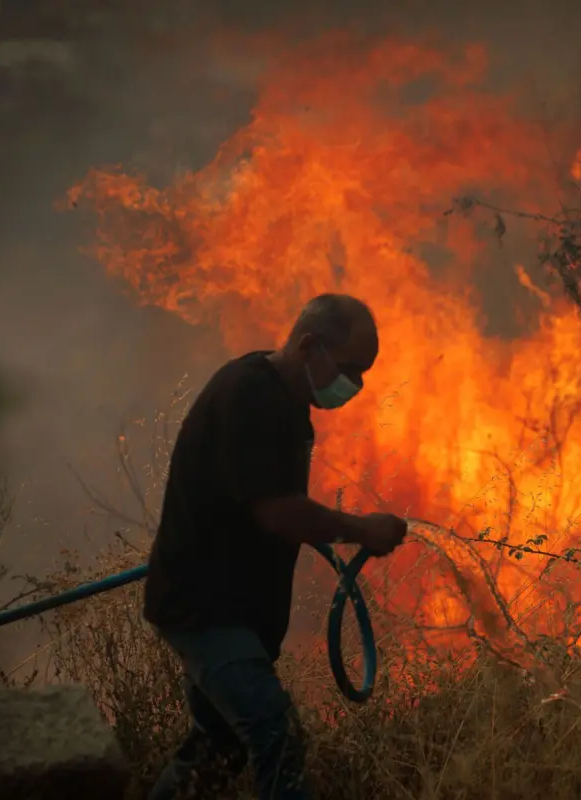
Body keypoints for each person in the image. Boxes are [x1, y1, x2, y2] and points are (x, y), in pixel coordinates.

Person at [143, 293, 409, 800]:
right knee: (276, 734)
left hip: (229, 613)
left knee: (217, 748)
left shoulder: (284, 405)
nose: (355, 385)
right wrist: (360, 529)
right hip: (205, 610)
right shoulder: (249, 396)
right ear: (309, 345)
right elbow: (277, 510)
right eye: (351, 369)